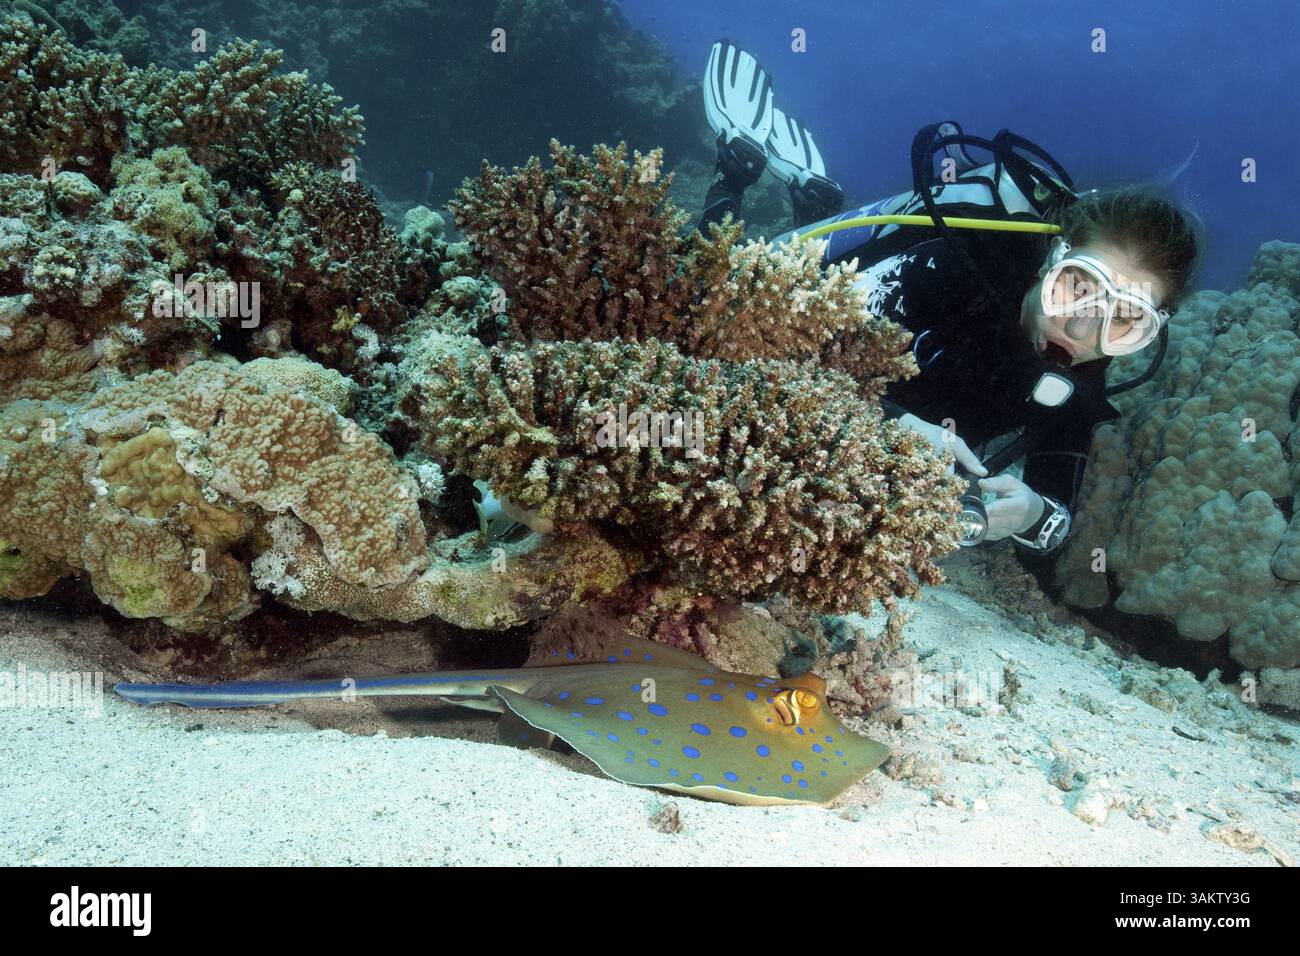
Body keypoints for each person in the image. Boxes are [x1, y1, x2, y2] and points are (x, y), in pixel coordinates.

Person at [696, 40, 1201, 557]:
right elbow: (765, 339)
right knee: (704, 284)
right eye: (1079, 286)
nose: (1080, 329)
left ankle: (811, 202)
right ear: (1054, 257)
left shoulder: (1085, 375)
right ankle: (733, 172)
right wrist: (891, 422)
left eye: (1125, 319)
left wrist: (1030, 512)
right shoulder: (952, 265)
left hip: (854, 392)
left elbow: (1056, 510)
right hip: (812, 313)